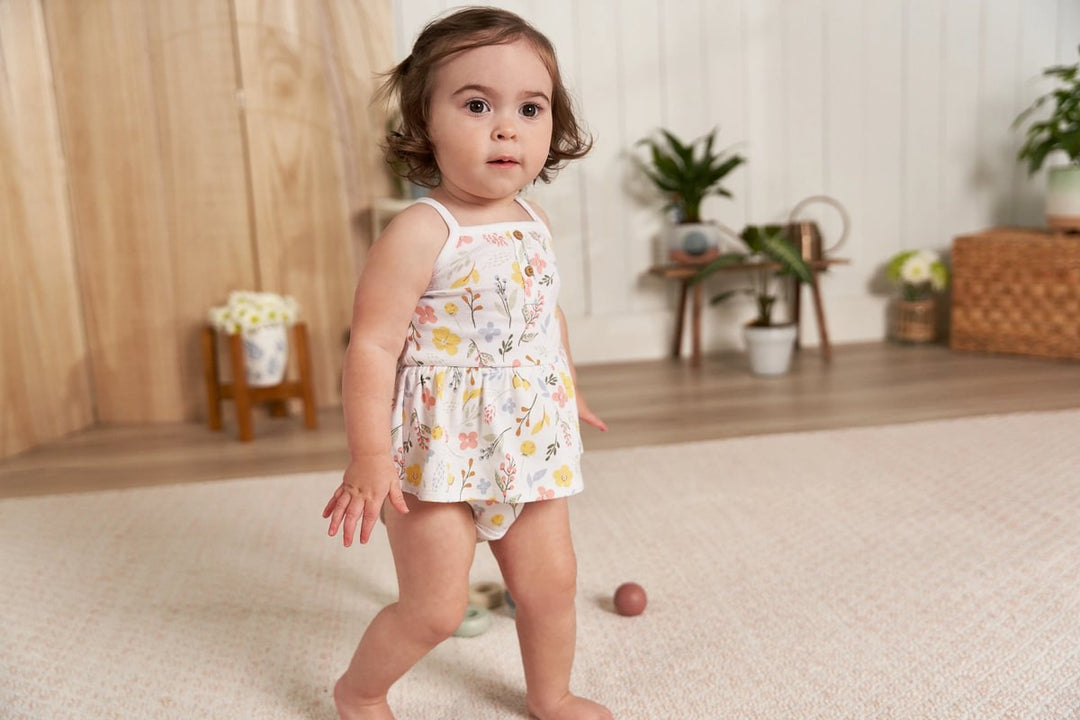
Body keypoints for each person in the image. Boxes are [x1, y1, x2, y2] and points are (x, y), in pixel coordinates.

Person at [322, 7, 613, 720]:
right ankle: (359, 692)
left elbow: (545, 315)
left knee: (551, 588)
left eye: (530, 107)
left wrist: (564, 390)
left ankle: (551, 695)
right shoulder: (422, 230)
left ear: (553, 125)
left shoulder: (534, 222)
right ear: (424, 123)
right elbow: (373, 346)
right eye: (477, 104)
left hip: (529, 440)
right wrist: (369, 454)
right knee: (435, 609)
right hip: (435, 451)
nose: (506, 126)